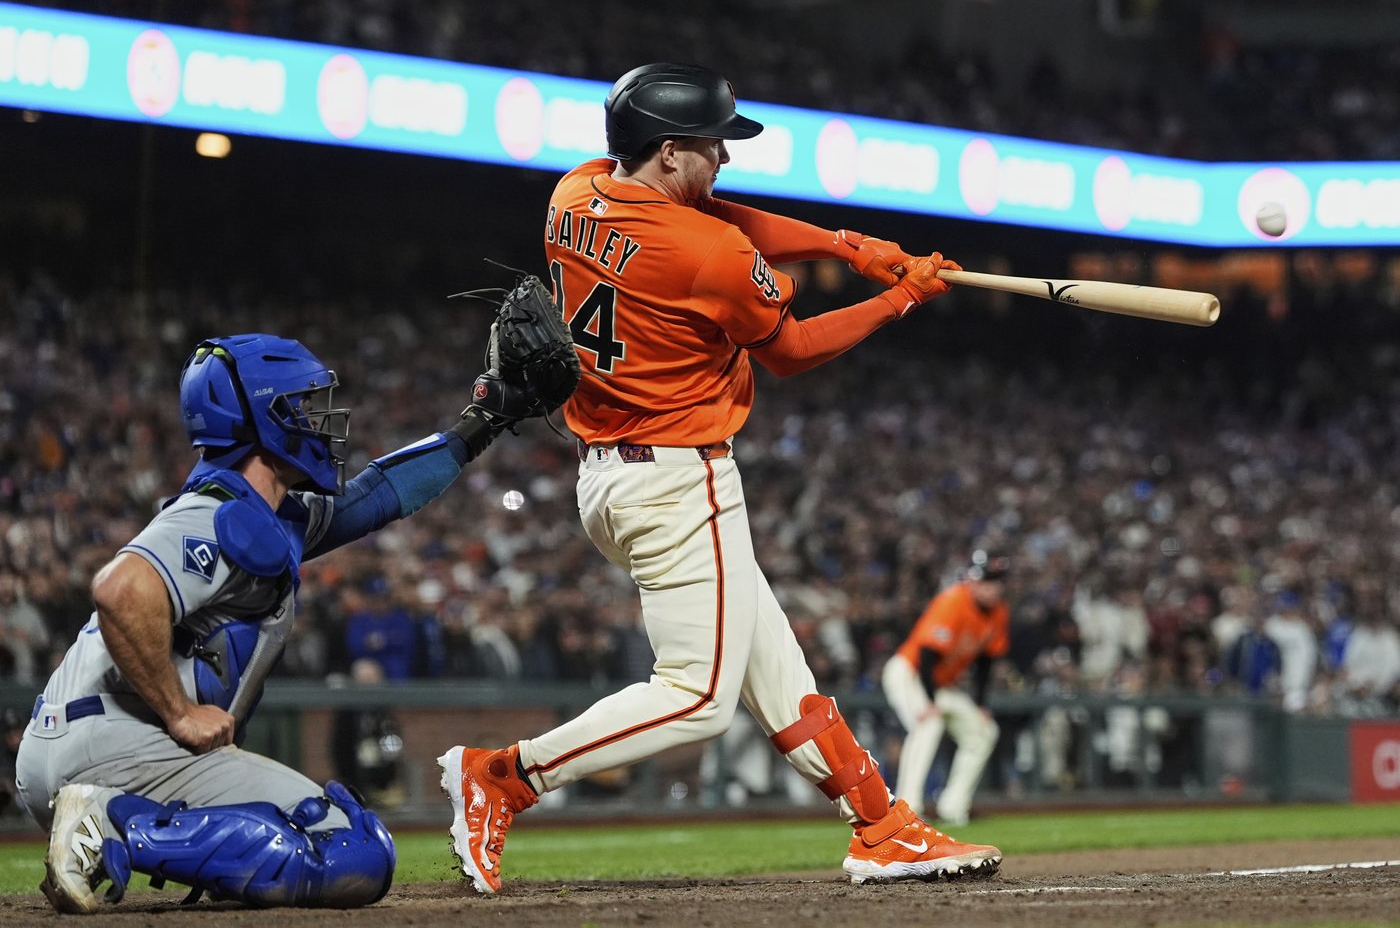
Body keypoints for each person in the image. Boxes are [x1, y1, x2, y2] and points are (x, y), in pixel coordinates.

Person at [439, 61, 1000, 893]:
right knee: (697, 695)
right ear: (668, 152)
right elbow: (793, 349)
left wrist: (844, 246)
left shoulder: (574, 192)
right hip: (676, 478)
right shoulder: (708, 253)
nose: (723, 160)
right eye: (709, 145)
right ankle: (505, 776)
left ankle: (882, 825)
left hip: (610, 475)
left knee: (777, 670)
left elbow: (719, 217)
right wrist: (900, 297)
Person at [15, 330, 553, 913]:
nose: (318, 421)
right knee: (353, 850)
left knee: (330, 839)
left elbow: (379, 493)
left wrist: (485, 420)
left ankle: (113, 824)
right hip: (113, 746)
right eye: (299, 407)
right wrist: (180, 711)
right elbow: (119, 591)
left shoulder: (265, 515)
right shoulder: (222, 515)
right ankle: (110, 825)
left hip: (76, 743)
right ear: (258, 421)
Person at [881, 550, 1010, 827]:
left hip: (940, 683)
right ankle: (907, 810)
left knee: (984, 732)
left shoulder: (998, 613)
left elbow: (986, 662)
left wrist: (980, 704)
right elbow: (927, 655)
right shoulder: (953, 600)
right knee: (928, 724)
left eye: (998, 580)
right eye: (988, 580)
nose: (993, 587)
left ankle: (953, 806)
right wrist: (928, 702)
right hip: (909, 673)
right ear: (972, 581)